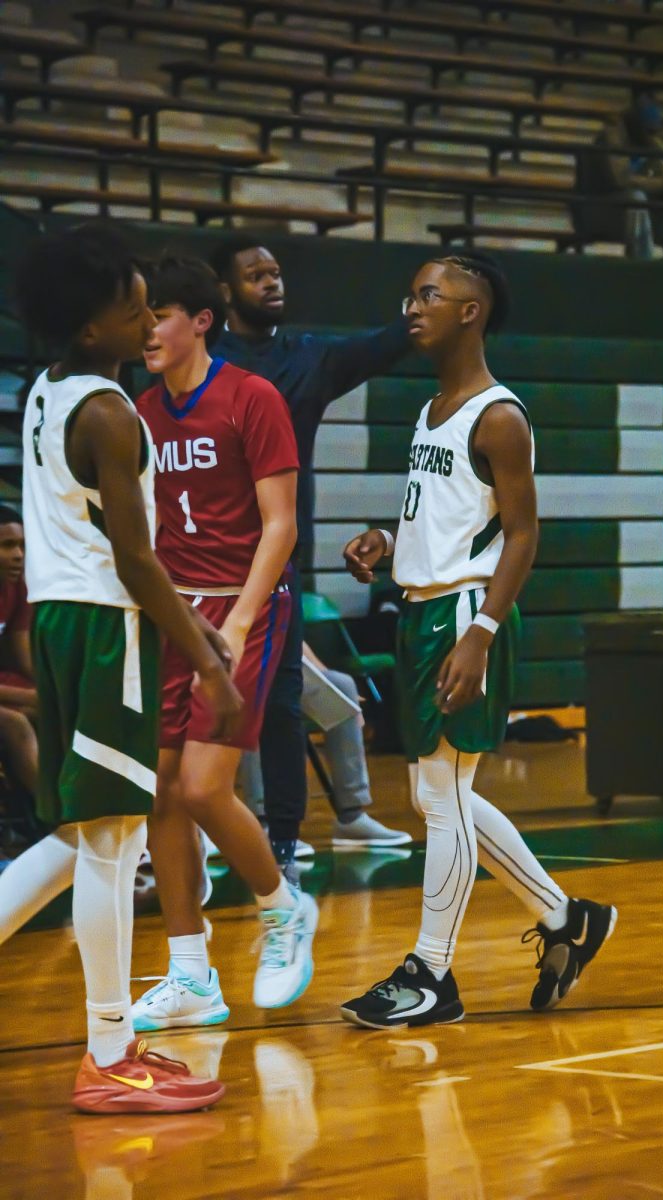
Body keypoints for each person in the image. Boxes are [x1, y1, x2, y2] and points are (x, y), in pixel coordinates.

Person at [339, 252, 617, 1028]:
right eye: (410, 292)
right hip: (420, 611)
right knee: (441, 794)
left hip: (465, 614)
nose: (412, 305)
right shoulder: (432, 409)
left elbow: (522, 536)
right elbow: (451, 516)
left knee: (443, 794)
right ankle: (567, 918)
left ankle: (431, 973)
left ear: (471, 311)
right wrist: (385, 543)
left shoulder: (500, 414)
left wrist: (482, 632)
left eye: (429, 293)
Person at [0, 223, 240, 1110]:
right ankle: (109, 1055)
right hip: (106, 628)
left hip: (64, 619)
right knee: (111, 842)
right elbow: (136, 561)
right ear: (90, 323)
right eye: (132, 307)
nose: (148, 319)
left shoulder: (49, 388)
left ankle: (114, 1048)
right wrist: (204, 660)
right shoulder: (111, 411)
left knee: (76, 839)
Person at [132, 256, 316, 1031]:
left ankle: (284, 911)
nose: (147, 331)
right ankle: (190, 975)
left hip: (243, 605)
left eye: (160, 316)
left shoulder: (252, 396)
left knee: (207, 787)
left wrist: (238, 620)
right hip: (173, 612)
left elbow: (282, 524)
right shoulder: (139, 410)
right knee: (161, 793)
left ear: (201, 320)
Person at [210, 236, 410, 871]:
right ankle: (204, 826)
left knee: (283, 703)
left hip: (278, 565)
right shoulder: (204, 364)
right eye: (255, 275)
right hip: (206, 563)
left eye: (276, 272)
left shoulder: (309, 359)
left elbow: (383, 344)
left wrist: (424, 309)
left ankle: (283, 843)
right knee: (210, 700)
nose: (272, 282)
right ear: (223, 292)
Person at [573, 96, 663, 262]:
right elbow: (621, 181)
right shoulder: (611, 138)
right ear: (635, 126)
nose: (652, 137)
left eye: (655, 132)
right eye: (649, 131)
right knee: (636, 198)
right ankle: (642, 265)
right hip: (597, 211)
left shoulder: (650, 143)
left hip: (633, 217)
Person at [301, 641, 412, 848]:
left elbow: (293, 638)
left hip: (280, 665)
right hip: (241, 668)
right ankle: (266, 823)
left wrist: (331, 688)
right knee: (259, 694)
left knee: (342, 685)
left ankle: (351, 816)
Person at [0, 505, 37, 799]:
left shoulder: (16, 587)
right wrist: (31, 696)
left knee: (56, 711)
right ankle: (63, 821)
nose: (18, 555)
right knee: (16, 722)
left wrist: (58, 688)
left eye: (22, 545)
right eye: (7, 545)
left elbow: (24, 656)